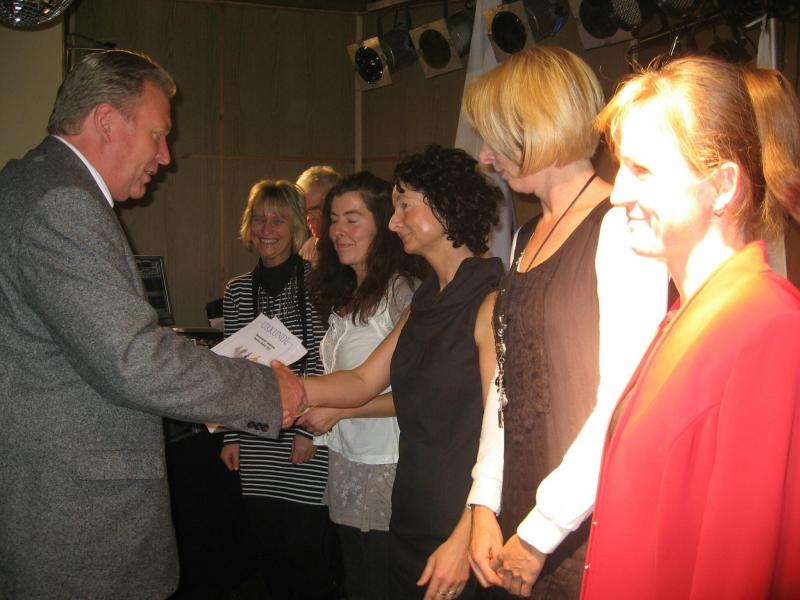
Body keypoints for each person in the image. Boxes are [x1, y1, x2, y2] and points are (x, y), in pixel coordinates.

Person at [0, 49, 302, 599]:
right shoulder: (63, 204)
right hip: (79, 534)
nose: (165, 156)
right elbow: (133, 360)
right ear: (106, 122)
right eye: (158, 135)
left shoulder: (29, 183)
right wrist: (266, 388)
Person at [581, 56, 800, 599]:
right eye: (621, 167)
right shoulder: (690, 314)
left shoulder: (769, 329)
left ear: (722, 186)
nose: (616, 193)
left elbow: (739, 567)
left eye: (643, 170)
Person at [461, 45, 667, 598]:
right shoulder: (528, 234)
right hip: (525, 515)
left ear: (540, 125)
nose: (484, 156)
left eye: (495, 138)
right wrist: (484, 502)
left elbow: (622, 404)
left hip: (583, 529)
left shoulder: (621, 228)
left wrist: (540, 533)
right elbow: (507, 384)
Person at [291, 145, 504, 600]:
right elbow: (361, 381)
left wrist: (465, 534)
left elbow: (503, 438)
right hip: (410, 511)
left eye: (404, 205)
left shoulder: (490, 300)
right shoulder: (426, 298)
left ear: (446, 207)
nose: (392, 222)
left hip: (459, 522)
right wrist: (282, 387)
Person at [302, 171, 425, 600]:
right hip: (349, 457)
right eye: (334, 219)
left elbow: (416, 395)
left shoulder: (402, 292)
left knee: (381, 583)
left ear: (384, 224)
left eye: (352, 219)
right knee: (357, 579)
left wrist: (342, 409)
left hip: (388, 462)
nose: (338, 230)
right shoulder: (346, 292)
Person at [218, 179, 336, 599]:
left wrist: (308, 432)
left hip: (307, 430)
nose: (266, 229)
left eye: (278, 220)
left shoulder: (319, 282)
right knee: (269, 553)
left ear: (296, 226)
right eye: (259, 219)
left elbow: (325, 357)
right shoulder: (237, 291)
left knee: (307, 554)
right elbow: (233, 370)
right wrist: (231, 436)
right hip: (255, 437)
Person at [297, 165, 342, 264]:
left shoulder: (353, 249)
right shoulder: (307, 251)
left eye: (315, 209)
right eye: (305, 211)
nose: (308, 218)